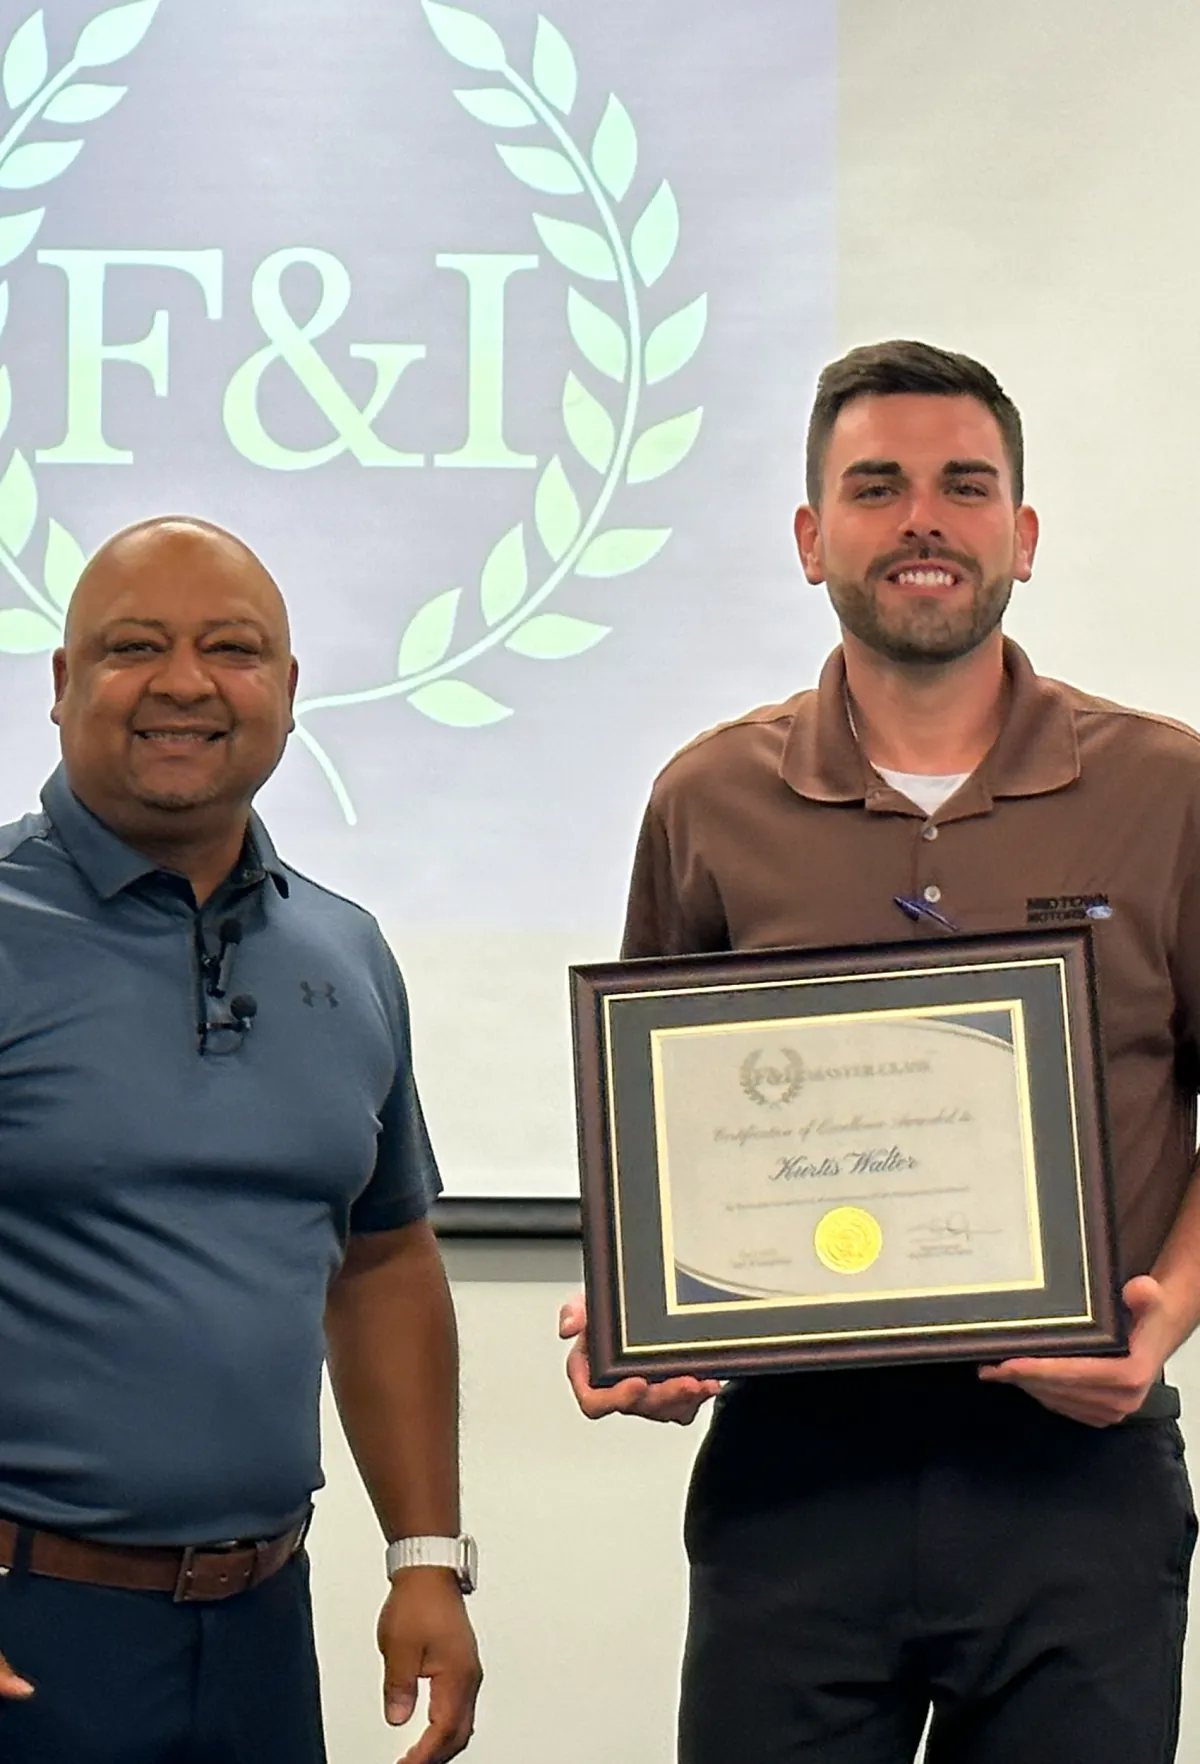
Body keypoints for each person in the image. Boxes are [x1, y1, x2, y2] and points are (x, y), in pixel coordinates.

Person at [560, 340, 1200, 1763]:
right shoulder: (709, 799)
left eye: (965, 486)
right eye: (876, 487)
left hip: (1078, 1477)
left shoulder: (1168, 791)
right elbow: (659, 1129)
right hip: (797, 1479)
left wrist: (1160, 1327)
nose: (924, 520)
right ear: (811, 539)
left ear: (1022, 534)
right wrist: (639, 1323)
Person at [0, 517, 481, 1764]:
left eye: (231, 649)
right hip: (27, 1625)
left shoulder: (347, 950)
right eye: (134, 648)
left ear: (287, 688)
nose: (184, 684)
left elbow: (383, 1263)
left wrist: (426, 1559)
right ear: (61, 683)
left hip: (263, 1630)